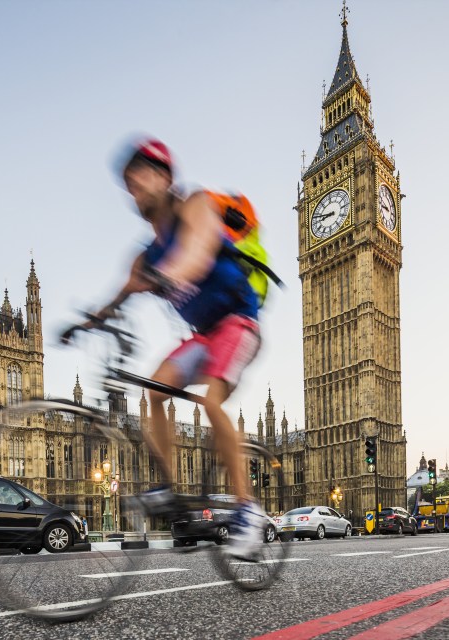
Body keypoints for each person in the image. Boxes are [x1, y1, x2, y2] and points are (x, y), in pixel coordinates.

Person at [73, 137, 267, 560]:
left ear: (164, 176)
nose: (133, 187)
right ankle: (169, 486)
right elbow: (120, 294)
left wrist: (170, 275)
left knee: (213, 403)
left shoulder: (194, 205)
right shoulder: (145, 256)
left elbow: (195, 254)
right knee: (155, 390)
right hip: (203, 335)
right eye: (128, 182)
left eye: (140, 174)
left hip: (239, 322)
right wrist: (88, 322)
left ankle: (248, 511)